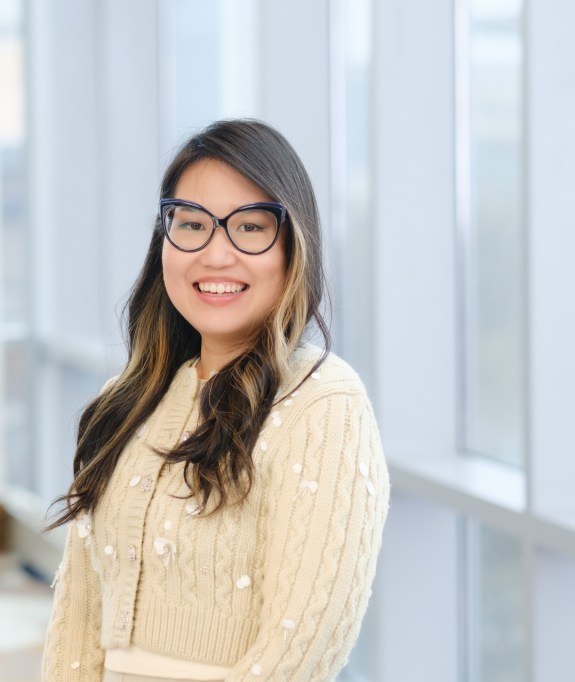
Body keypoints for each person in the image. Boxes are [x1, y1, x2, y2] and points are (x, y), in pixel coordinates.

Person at [42, 119, 389, 682]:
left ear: (293, 247)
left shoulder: (323, 403)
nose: (215, 254)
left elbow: (300, 647)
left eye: (250, 228)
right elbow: (78, 621)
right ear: (165, 240)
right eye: (192, 225)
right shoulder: (126, 401)